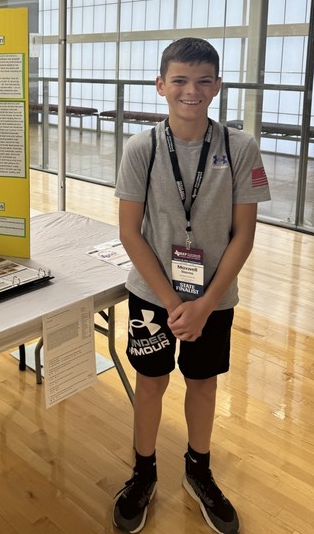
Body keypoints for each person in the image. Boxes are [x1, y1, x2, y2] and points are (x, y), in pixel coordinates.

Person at [112, 37, 270, 534]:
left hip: (213, 298)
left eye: (203, 81)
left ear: (217, 87)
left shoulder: (240, 148)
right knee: (151, 382)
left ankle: (198, 470)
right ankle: (144, 472)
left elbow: (244, 235)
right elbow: (129, 233)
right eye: (179, 80)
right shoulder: (141, 149)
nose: (191, 91)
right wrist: (172, 302)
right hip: (153, 293)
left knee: (203, 384)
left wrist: (202, 305)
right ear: (160, 86)